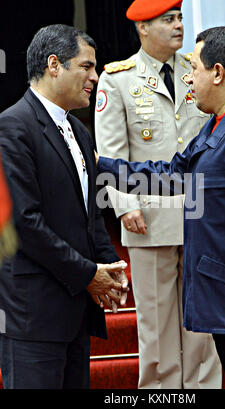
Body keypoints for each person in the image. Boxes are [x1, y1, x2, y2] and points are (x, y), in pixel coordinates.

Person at [96, 26, 225, 389]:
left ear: (218, 73)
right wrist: (100, 166)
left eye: (194, 68)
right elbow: (171, 175)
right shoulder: (218, 125)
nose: (187, 77)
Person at [94, 0, 221, 389]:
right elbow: (111, 153)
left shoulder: (198, 72)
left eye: (180, 17)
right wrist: (124, 206)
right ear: (143, 28)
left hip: (202, 213)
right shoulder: (118, 79)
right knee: (156, 323)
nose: (179, 25)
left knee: (203, 324)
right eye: (168, 19)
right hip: (148, 215)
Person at [0, 24, 129, 389]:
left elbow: (89, 213)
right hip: (33, 316)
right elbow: (25, 223)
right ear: (54, 65)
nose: (95, 76)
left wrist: (109, 265)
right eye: (86, 66)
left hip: (74, 314)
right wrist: (90, 274)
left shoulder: (78, 130)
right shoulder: (11, 128)